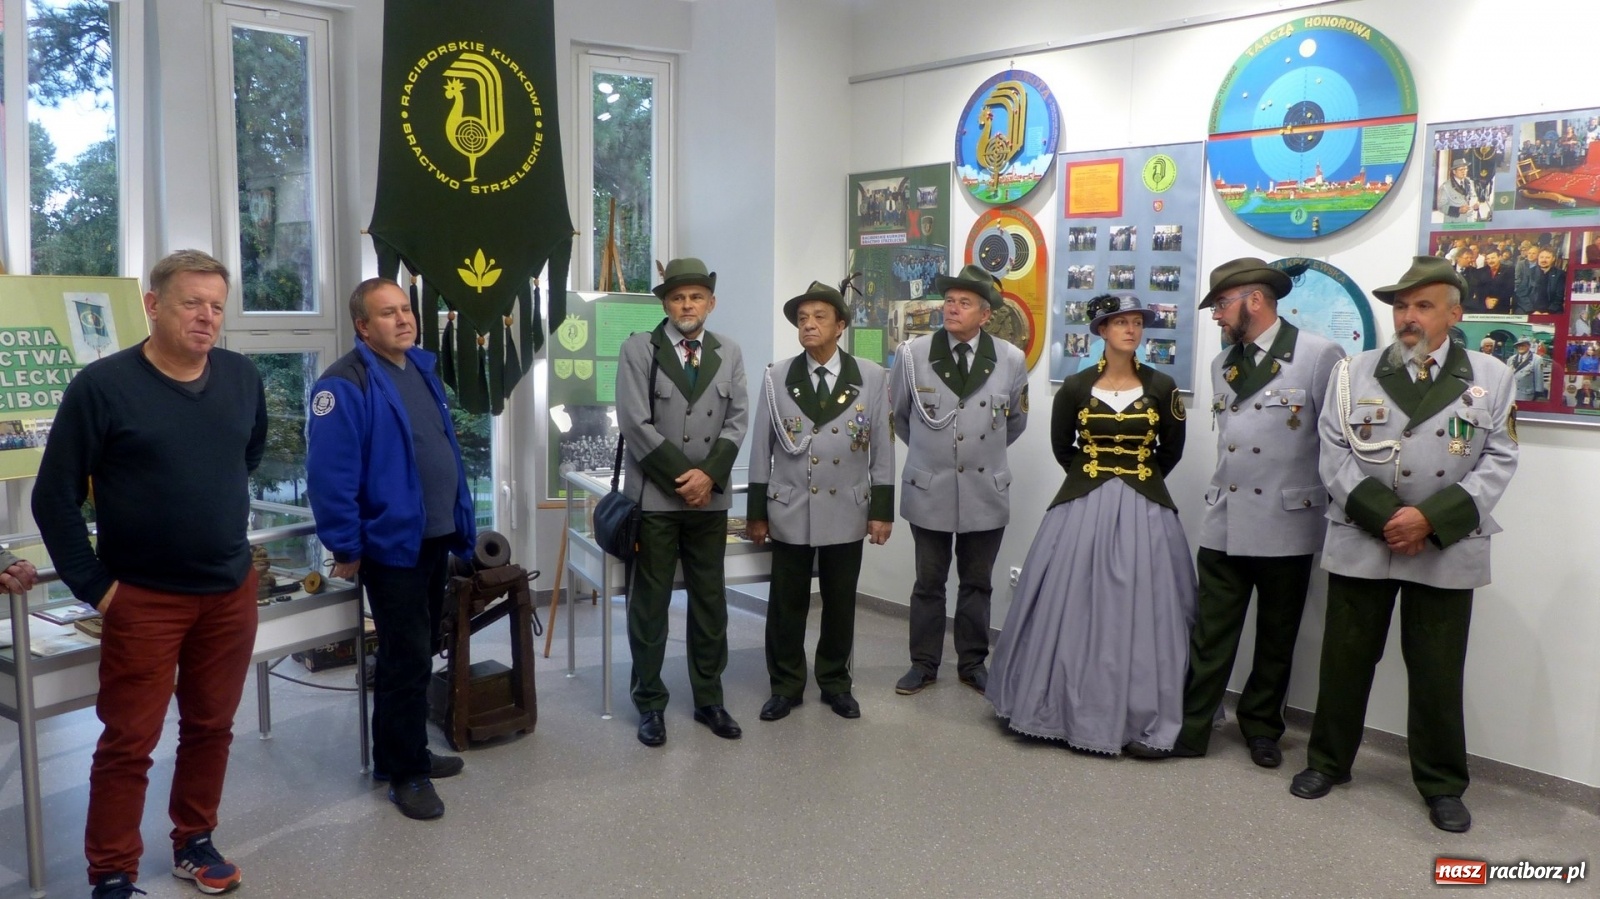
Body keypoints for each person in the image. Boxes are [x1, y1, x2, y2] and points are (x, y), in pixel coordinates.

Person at [31, 249, 267, 898]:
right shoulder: (103, 386)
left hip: (228, 592)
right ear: (154, 304)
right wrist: (97, 587)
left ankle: (194, 839)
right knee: (129, 741)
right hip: (143, 599)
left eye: (217, 305)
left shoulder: (242, 377)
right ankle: (111, 872)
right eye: (193, 302)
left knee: (212, 726)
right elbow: (54, 497)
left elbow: (245, 453)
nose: (207, 316)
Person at [1290, 256, 1519, 834]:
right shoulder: (1354, 372)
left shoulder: (1492, 375)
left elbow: (1499, 461)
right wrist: (1389, 516)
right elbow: (1333, 454)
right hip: (1365, 533)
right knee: (1344, 659)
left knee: (1438, 669)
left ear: (1454, 312)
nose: (1408, 317)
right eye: (1401, 306)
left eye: (1422, 305)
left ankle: (1442, 784)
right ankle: (1328, 762)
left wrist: (1429, 519)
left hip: (1446, 540)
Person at [987, 294, 1191, 755]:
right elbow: (1065, 447)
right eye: (1121, 323)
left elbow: (1170, 451)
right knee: (1069, 603)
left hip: (1145, 506)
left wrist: (1135, 480)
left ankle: (1138, 713)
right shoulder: (1076, 387)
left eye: (1137, 323)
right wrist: (1093, 477)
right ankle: (1053, 706)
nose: (1131, 330)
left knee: (1145, 607)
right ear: (1101, 330)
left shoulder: (1163, 386)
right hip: (1081, 504)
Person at [305, 277, 476, 820]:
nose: (403, 320)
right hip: (390, 546)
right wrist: (346, 544)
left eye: (406, 310)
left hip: (433, 537)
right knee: (404, 660)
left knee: (419, 652)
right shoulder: (344, 383)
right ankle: (406, 774)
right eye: (387, 314)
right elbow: (329, 476)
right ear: (362, 325)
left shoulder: (421, 369)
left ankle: (406, 752)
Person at [1171, 259, 1345, 766]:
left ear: (1254, 299)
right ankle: (1193, 726)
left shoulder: (1317, 355)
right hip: (1224, 517)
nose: (1216, 317)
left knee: (1276, 635)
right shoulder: (1222, 363)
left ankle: (1263, 727)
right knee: (1210, 632)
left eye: (1221, 305)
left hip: (1286, 520)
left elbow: (1335, 443)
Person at [615, 257, 748, 746]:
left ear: (710, 304)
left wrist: (708, 477)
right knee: (649, 606)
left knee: (711, 602)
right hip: (656, 500)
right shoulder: (639, 349)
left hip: (709, 502)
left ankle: (709, 698)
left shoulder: (728, 351)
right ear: (665, 304)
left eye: (696, 297)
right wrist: (683, 478)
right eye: (677, 297)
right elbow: (634, 422)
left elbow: (736, 422)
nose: (687, 304)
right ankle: (650, 702)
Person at [747, 281, 894, 721]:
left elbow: (883, 448)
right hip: (790, 505)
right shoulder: (777, 376)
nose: (808, 325)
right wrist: (757, 513)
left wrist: (881, 512)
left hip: (846, 507)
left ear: (840, 326)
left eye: (819, 318)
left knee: (840, 600)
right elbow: (761, 448)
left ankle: (835, 682)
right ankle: (786, 685)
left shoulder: (870, 376)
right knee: (786, 602)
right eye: (802, 319)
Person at [888, 265, 1028, 696]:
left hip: (986, 489)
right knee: (928, 582)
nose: (952, 308)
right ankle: (924, 664)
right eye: (949, 300)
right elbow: (899, 417)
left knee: (977, 582)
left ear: (985, 314)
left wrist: (975, 457)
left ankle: (972, 663)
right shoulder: (913, 354)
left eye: (964, 303)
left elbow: (1016, 422)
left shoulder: (1010, 358)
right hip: (929, 487)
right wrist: (934, 459)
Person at [1437, 157, 1478, 223]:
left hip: (1469, 222)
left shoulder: (1470, 183)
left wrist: (1476, 204)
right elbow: (1441, 207)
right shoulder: (1445, 187)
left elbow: (1474, 197)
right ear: (1454, 171)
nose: (1464, 171)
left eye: (1465, 169)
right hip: (1454, 223)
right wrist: (1458, 210)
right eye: (1461, 169)